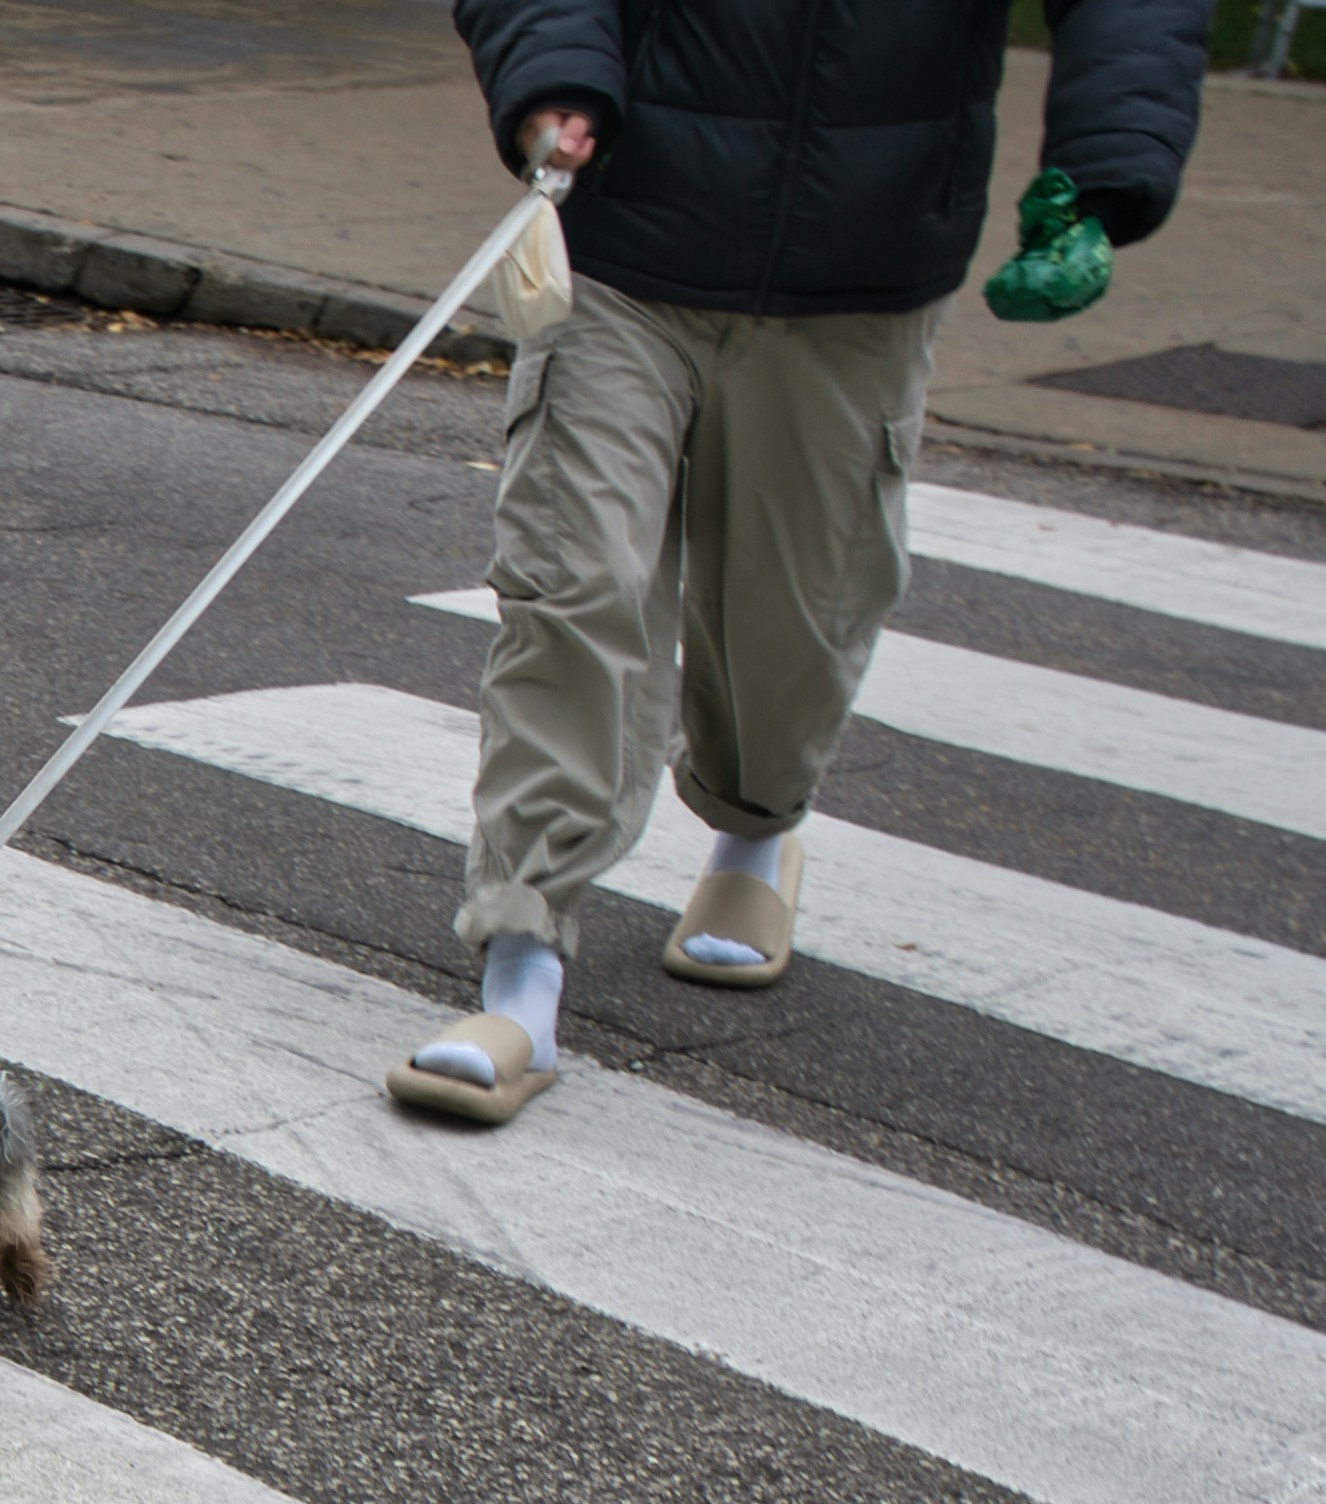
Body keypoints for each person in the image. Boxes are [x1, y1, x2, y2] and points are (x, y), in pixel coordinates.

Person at [390, 0, 1213, 1124]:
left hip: (860, 270)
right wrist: (556, 78)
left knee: (795, 621)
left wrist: (1110, 170)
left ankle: (758, 827)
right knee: (574, 583)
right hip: (628, 243)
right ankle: (522, 966)